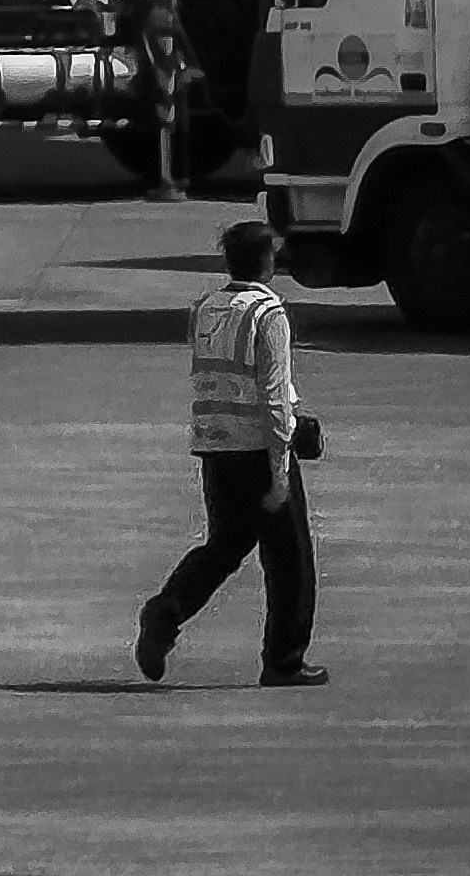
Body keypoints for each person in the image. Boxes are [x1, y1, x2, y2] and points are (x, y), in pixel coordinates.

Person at [135, 217, 324, 688]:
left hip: (216, 449)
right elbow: (275, 397)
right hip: (259, 451)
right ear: (268, 261)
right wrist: (281, 472)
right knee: (290, 562)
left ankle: (166, 612)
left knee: (225, 546)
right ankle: (284, 660)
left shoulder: (206, 309)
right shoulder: (268, 313)